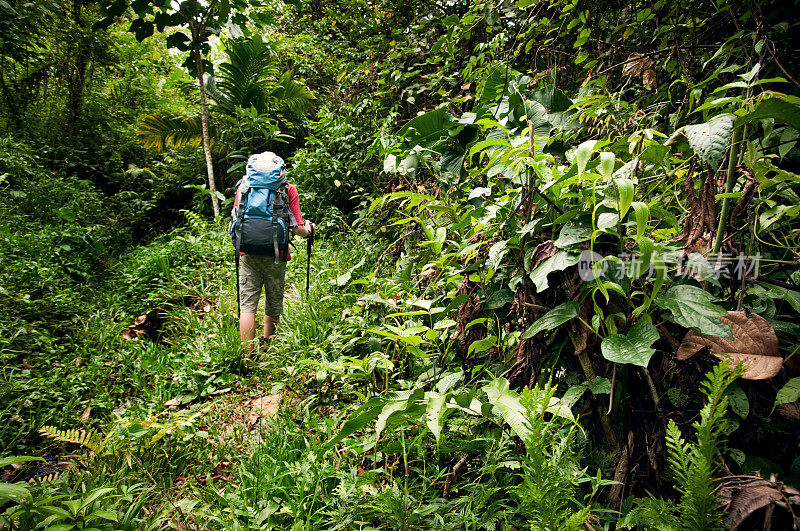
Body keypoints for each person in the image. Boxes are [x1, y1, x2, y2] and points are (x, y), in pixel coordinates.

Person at [231, 152, 315, 351]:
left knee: (248, 305)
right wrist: (309, 230)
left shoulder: (243, 188)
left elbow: (232, 225)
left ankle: (248, 355)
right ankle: (267, 345)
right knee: (273, 301)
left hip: (248, 253)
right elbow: (297, 229)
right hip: (277, 255)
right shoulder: (287, 189)